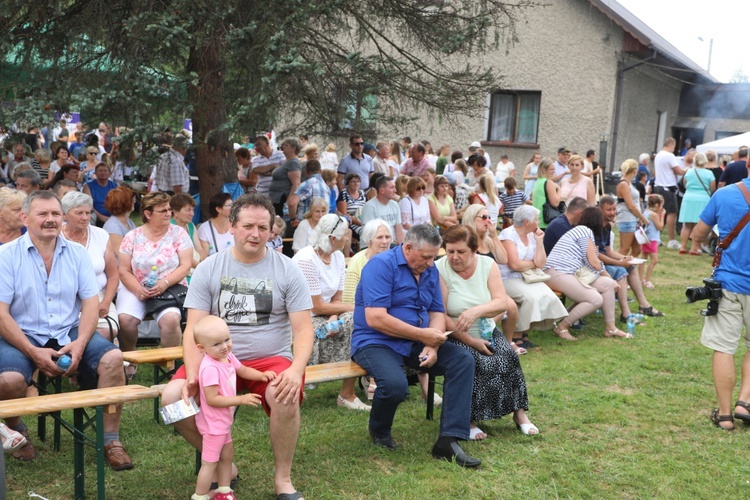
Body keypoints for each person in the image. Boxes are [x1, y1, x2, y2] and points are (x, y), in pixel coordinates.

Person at [160, 193, 314, 499]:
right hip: (214, 360)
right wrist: (193, 374)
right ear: (232, 226)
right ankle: (222, 463)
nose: (255, 234)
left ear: (272, 231)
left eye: (262, 227)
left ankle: (283, 479)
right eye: (247, 226)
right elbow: (193, 329)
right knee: (172, 399)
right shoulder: (208, 268)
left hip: (269, 360)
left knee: (284, 394)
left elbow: (304, 328)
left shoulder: (288, 269)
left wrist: (297, 369)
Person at [0, 190, 132, 469]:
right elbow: (1, 314)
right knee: (9, 380)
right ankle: (17, 430)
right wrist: (33, 352)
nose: (50, 220)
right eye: (42, 214)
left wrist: (81, 343)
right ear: (24, 218)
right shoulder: (5, 256)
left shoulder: (78, 254)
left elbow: (90, 303)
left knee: (113, 359)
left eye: (55, 214)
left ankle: (111, 439)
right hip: (19, 334)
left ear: (62, 217)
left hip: (68, 330)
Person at [351, 224, 481, 467]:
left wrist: (432, 346)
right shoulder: (380, 266)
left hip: (416, 340)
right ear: (408, 247)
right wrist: (424, 336)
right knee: (395, 385)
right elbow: (375, 318)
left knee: (462, 360)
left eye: (434, 257)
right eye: (426, 257)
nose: (431, 263)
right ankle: (379, 431)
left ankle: (448, 441)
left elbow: (437, 311)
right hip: (375, 341)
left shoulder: (429, 270)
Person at [437, 225, 538, 439]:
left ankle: (519, 414)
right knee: (475, 361)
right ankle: (469, 419)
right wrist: (470, 340)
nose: (454, 257)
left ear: (474, 251)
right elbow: (441, 315)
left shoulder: (487, 264)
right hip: (455, 333)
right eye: (450, 251)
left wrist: (476, 311)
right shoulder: (440, 269)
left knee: (508, 357)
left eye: (461, 252)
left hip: (485, 327)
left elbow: (501, 302)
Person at [191, 316, 276, 500]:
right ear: (201, 348)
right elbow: (212, 399)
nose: (225, 346)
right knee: (209, 464)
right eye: (217, 344)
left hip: (223, 423)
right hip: (213, 425)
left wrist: (261, 376)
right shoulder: (210, 368)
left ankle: (224, 491)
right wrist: (240, 399)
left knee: (227, 456)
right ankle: (199, 495)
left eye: (227, 340)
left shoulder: (226, 356)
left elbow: (243, 370)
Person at [292, 214, 369, 411]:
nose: (348, 237)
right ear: (333, 238)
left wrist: (334, 319)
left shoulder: (336, 256)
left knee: (356, 319)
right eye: (345, 234)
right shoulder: (306, 259)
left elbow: (336, 298)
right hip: (301, 319)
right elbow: (315, 306)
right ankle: (349, 393)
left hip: (326, 314)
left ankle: (350, 391)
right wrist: (352, 308)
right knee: (355, 316)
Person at [117, 192, 193, 358]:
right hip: (135, 286)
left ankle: (169, 361)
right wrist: (137, 289)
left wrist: (165, 282)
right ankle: (129, 357)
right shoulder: (132, 236)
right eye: (163, 210)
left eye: (169, 209)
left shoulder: (179, 234)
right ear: (147, 214)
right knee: (125, 319)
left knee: (171, 319)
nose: (168, 214)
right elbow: (123, 270)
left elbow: (186, 265)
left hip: (170, 287)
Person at [544, 206, 625, 340]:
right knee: (595, 299)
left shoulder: (585, 232)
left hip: (568, 273)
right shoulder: (583, 231)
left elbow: (591, 262)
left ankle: (611, 328)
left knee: (608, 284)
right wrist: (610, 276)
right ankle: (562, 327)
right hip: (556, 272)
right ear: (597, 220)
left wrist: (610, 279)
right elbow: (593, 262)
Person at [499, 205, 569, 346]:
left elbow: (541, 263)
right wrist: (533, 263)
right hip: (508, 277)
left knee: (549, 296)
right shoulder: (508, 235)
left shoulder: (533, 235)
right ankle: (516, 335)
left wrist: (539, 242)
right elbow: (514, 265)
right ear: (527, 222)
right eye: (536, 219)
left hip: (528, 276)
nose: (538, 222)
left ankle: (524, 332)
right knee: (531, 298)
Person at [61, 191, 120, 341]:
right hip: (64, 298)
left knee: (108, 330)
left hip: (98, 295)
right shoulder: (55, 237)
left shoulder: (100, 235)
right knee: (75, 333)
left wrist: (106, 302)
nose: (85, 217)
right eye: (79, 213)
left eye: (88, 212)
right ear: (65, 215)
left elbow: (113, 275)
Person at [598, 195, 665, 320]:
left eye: (614, 209)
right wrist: (619, 263)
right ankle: (626, 313)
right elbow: (596, 255)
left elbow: (608, 251)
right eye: (609, 210)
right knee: (621, 271)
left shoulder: (607, 226)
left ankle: (644, 305)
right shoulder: (596, 226)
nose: (613, 213)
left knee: (631, 266)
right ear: (600, 209)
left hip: (603, 261)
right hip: (596, 264)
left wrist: (625, 258)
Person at [678, 152, 715, 255]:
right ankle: (695, 248)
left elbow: (685, 185)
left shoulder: (689, 172)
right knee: (698, 224)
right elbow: (712, 188)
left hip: (689, 197)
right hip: (703, 198)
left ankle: (683, 246)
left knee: (686, 224)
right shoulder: (709, 173)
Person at [653, 138, 686, 249]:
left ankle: (656, 238)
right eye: (674, 146)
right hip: (667, 187)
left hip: (658, 186)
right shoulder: (669, 156)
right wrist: (687, 168)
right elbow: (679, 171)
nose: (674, 149)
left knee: (659, 212)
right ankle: (672, 240)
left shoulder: (658, 155)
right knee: (672, 213)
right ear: (671, 144)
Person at [615, 159, 650, 258]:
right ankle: (616, 269)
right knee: (624, 249)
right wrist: (643, 218)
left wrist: (639, 218)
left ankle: (627, 269)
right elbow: (630, 206)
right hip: (627, 219)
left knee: (637, 249)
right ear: (635, 171)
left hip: (633, 219)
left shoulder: (628, 184)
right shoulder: (623, 184)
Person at [360, 175, 405, 245]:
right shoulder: (370, 207)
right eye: (391, 188)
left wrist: (402, 248)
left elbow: (399, 231)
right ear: (382, 190)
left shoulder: (395, 205)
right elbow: (369, 234)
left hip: (389, 244)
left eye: (395, 187)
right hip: (372, 246)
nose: (395, 190)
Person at [170, 193, 205, 282]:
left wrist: (206, 264)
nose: (192, 214)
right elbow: (180, 257)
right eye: (188, 210)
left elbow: (200, 249)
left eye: (193, 210)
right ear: (175, 212)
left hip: (196, 268)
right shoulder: (170, 227)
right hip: (180, 272)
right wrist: (201, 268)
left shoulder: (190, 225)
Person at [287, 160, 329, 227]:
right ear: (321, 171)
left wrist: (293, 219)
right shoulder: (326, 187)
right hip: (323, 224)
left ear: (306, 172)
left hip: (307, 224)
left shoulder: (307, 184)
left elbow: (292, 203)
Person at [269, 138, 302, 219]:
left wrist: (288, 202)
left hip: (282, 199)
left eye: (286, 145)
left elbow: (296, 183)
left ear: (293, 148)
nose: (283, 147)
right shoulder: (286, 162)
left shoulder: (293, 163)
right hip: (275, 199)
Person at [102, 186, 137, 262]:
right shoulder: (112, 227)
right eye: (132, 200)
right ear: (125, 203)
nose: (134, 202)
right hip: (120, 268)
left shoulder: (129, 221)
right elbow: (121, 255)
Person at [640, 194, 665, 289]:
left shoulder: (646, 212)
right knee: (654, 260)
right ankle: (647, 280)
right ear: (657, 205)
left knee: (643, 258)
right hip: (652, 239)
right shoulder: (653, 215)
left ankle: (641, 278)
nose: (662, 208)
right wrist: (662, 216)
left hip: (646, 238)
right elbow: (660, 227)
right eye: (661, 205)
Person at [531, 158, 562, 231]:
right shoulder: (548, 182)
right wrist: (559, 190)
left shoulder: (537, 181)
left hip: (537, 220)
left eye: (554, 169)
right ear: (543, 170)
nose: (554, 172)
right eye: (551, 169)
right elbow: (555, 203)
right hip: (547, 221)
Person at [336, 173, 367, 241]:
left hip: (363, 219)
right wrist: (360, 223)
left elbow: (368, 208)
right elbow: (344, 214)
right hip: (351, 222)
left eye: (358, 181)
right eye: (353, 181)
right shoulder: (344, 193)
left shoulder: (362, 193)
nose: (356, 184)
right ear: (348, 183)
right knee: (365, 232)